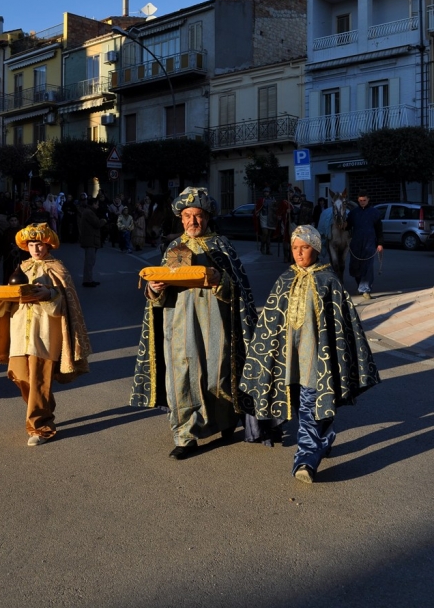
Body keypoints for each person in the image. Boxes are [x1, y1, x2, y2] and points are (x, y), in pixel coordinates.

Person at [240, 224, 380, 484]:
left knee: (311, 404)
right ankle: (323, 442)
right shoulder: (284, 279)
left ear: (316, 249)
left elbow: (343, 325)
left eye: (305, 247)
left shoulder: (329, 281)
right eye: (295, 247)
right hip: (288, 360)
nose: (299, 253)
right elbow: (269, 323)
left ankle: (305, 459)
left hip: (318, 359)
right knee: (310, 405)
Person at [130, 186, 258, 460]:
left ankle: (225, 421)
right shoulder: (174, 249)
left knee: (216, 377)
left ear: (208, 217)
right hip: (177, 324)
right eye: (187, 216)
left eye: (198, 215)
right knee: (181, 379)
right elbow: (155, 295)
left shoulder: (222, 247)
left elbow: (239, 290)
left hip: (214, 323)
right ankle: (184, 436)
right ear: (180, 218)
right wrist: (154, 287)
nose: (192, 222)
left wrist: (218, 280)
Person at [0, 222, 91, 446]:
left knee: (39, 380)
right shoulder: (20, 267)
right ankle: (44, 407)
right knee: (20, 376)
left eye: (39, 244)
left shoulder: (57, 268)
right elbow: (4, 305)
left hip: (45, 334)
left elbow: (68, 305)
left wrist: (49, 293)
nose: (36, 249)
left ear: (47, 245)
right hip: (20, 333)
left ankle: (40, 427)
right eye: (31, 244)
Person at [346, 189, 384, 300]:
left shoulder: (375, 213)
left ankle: (365, 289)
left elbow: (379, 230)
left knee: (367, 267)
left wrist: (380, 244)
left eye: (364, 200)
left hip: (370, 243)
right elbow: (347, 227)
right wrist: (342, 224)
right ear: (358, 200)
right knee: (355, 266)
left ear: (368, 200)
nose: (362, 202)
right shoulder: (353, 213)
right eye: (360, 200)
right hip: (356, 243)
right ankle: (360, 286)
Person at [79, 197, 106, 287]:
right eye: (97, 204)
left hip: (91, 239)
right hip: (90, 239)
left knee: (90, 261)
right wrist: (103, 221)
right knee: (89, 261)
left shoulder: (89, 212)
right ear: (93, 204)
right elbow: (97, 223)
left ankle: (89, 279)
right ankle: (87, 281)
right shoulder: (89, 212)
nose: (98, 206)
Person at [254, 187, 277, 255]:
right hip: (263, 217)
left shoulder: (273, 200)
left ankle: (268, 250)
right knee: (265, 233)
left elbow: (275, 208)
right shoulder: (261, 200)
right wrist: (257, 212)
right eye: (265, 192)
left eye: (267, 192)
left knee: (269, 235)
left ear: (269, 192)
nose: (266, 193)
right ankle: (262, 246)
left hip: (270, 217)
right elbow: (258, 208)